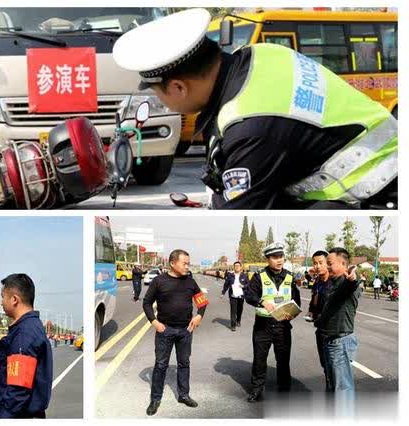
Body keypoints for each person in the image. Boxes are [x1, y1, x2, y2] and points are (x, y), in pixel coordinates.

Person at [112, 8, 397, 210]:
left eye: (158, 93)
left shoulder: (249, 126)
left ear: (178, 88)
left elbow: (242, 213)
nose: (165, 102)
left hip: (376, 190)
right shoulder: (264, 54)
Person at [142, 249, 208, 416]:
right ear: (172, 263)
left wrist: (199, 315)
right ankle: (155, 398)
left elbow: (202, 302)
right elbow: (147, 303)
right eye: (184, 263)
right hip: (165, 330)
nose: (187, 266)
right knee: (161, 365)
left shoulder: (190, 282)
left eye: (188, 263)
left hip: (186, 330)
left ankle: (184, 395)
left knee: (184, 363)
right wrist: (154, 322)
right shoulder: (159, 281)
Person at [244, 242, 301, 402]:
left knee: (283, 360)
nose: (279, 260)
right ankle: (256, 390)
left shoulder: (290, 277)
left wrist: (293, 313)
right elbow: (249, 295)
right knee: (259, 359)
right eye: (275, 257)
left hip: (283, 326)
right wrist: (262, 302)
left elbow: (296, 300)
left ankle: (284, 389)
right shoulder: (259, 276)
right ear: (268, 259)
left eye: (281, 256)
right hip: (263, 326)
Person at [0, 273, 53, 418]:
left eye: (2, 297)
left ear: (14, 299)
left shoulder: (24, 333)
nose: (1, 302)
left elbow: (18, 390)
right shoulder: (30, 327)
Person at [316, 248, 361, 415]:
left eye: (330, 264)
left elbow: (350, 286)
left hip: (340, 342)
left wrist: (352, 279)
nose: (327, 267)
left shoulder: (346, 282)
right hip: (330, 340)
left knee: (343, 389)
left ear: (343, 264)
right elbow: (330, 306)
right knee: (333, 386)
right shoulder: (333, 282)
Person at [305, 250, 331, 390]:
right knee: (324, 363)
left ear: (328, 263)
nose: (318, 266)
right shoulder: (318, 282)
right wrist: (311, 312)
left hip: (333, 331)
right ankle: (329, 386)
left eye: (321, 263)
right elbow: (314, 300)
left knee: (333, 365)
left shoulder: (335, 282)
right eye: (315, 263)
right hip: (320, 329)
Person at [221, 261, 248, 331]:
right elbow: (226, 284)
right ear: (234, 267)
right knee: (233, 310)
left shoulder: (244, 275)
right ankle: (233, 325)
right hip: (233, 296)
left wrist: (244, 286)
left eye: (238, 266)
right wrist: (223, 293)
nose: (237, 267)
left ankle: (238, 320)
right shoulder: (230, 275)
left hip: (241, 296)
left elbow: (249, 284)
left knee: (240, 309)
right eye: (235, 266)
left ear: (241, 267)